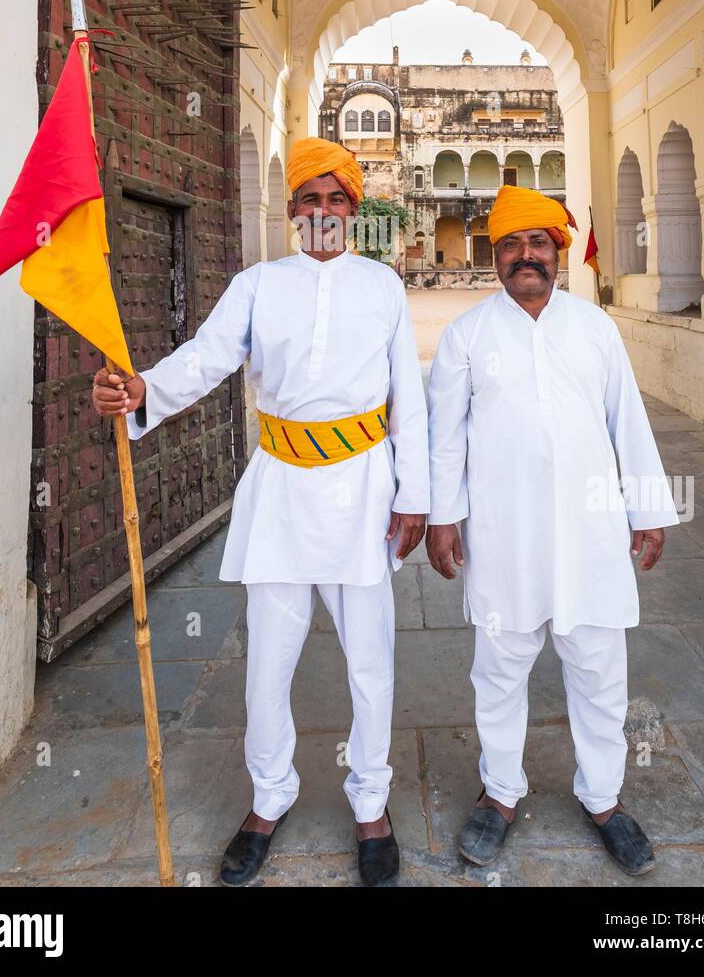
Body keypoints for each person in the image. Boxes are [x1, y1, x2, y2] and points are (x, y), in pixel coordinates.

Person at [92, 137, 429, 887]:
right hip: (280, 491)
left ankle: (371, 803)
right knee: (267, 666)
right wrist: (143, 389)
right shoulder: (256, 285)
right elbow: (207, 357)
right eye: (308, 198)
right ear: (291, 211)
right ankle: (269, 797)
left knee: (370, 663)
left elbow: (411, 399)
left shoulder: (383, 288)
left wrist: (417, 495)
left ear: (354, 209)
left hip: (364, 493)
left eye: (336, 199)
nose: (322, 211)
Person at [427, 185, 678, 877]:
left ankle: (603, 799)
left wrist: (649, 508)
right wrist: (442, 515)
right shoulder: (467, 335)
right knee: (499, 671)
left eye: (539, 241)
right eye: (511, 243)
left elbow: (629, 420)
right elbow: (443, 438)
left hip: (590, 536)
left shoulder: (595, 328)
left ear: (559, 250)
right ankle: (500, 794)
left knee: (599, 673)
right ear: (495, 254)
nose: (525, 254)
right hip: (504, 536)